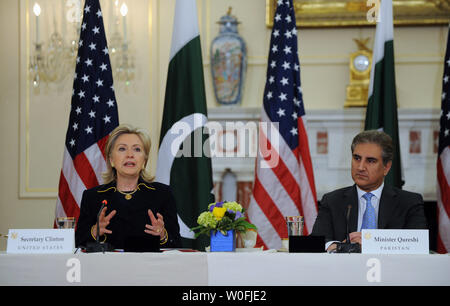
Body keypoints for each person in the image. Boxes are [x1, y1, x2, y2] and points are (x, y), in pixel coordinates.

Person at [311, 130, 427, 252]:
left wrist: (371, 242)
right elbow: (317, 242)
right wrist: (344, 247)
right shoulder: (332, 201)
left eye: (370, 161)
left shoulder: (409, 203)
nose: (360, 167)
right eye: (357, 158)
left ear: (386, 167)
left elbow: (418, 245)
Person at [75, 124, 181, 250]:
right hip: (106, 268)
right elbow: (78, 244)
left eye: (137, 149)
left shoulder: (163, 194)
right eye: (122, 149)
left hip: (150, 268)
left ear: (144, 160)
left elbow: (177, 244)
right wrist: (94, 231)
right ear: (111, 160)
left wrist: (163, 235)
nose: (130, 155)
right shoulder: (93, 197)